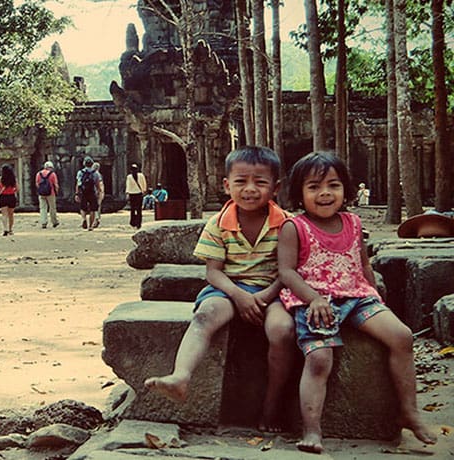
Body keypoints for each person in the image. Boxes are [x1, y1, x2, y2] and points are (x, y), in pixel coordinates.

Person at [278, 152, 436, 454]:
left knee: (401, 336)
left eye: (333, 185)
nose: (325, 193)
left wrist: (376, 293)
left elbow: (363, 265)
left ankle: (409, 411)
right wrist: (313, 298)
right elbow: (286, 271)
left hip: (357, 297)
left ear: (346, 189)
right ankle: (311, 428)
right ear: (299, 192)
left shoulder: (353, 222)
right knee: (319, 358)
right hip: (315, 300)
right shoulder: (294, 227)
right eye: (313, 187)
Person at [144, 146, 296, 433]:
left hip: (274, 291)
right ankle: (180, 376)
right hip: (229, 289)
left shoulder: (286, 224)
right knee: (206, 315)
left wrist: (263, 296)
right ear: (227, 185)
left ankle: (272, 404)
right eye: (241, 181)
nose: (250, 189)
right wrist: (240, 296)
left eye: (260, 182)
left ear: (275, 188)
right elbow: (213, 272)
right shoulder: (218, 224)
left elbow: (289, 271)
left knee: (283, 330)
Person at [75, 156, 100, 230]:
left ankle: (84, 219)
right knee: (93, 209)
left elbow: (78, 183)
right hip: (92, 192)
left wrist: (77, 193)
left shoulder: (80, 172)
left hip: (83, 191)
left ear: (84, 164)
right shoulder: (95, 173)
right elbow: (97, 183)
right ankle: (90, 226)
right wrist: (99, 191)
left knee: (83, 207)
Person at [0, 163, 17, 236]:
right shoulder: (13, 179)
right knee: (11, 215)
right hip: (11, 196)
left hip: (3, 197)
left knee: (4, 214)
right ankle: (10, 229)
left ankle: (5, 229)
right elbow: (17, 189)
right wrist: (11, 190)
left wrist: (1, 190)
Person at [36, 161, 59, 229]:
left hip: (41, 193)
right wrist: (56, 191)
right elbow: (55, 184)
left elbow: (37, 184)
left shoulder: (39, 174)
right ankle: (54, 221)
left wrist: (41, 190)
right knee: (52, 208)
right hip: (51, 193)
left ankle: (44, 222)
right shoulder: (52, 174)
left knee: (43, 208)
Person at [125, 163, 147, 229]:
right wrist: (144, 190)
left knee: (133, 209)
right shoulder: (141, 175)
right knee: (139, 209)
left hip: (132, 194)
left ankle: (133, 222)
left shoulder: (129, 176)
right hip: (139, 193)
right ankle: (138, 223)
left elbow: (128, 185)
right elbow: (144, 183)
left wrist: (127, 193)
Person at [92, 161, 105, 228]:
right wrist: (101, 191)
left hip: (93, 192)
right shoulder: (98, 174)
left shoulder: (92, 174)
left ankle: (95, 220)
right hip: (98, 191)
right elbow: (100, 184)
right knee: (98, 206)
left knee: (94, 207)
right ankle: (97, 219)